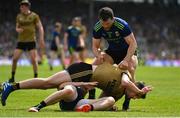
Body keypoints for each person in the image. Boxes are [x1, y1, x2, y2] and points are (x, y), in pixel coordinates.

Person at [0, 62, 151, 107]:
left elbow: (103, 98)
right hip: (84, 71)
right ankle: (12, 86)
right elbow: (126, 82)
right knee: (48, 83)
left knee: (48, 84)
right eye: (136, 96)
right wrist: (140, 91)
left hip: (86, 79)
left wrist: (112, 106)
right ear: (135, 86)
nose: (134, 97)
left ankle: (12, 86)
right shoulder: (127, 78)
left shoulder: (119, 94)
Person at [92, 7, 138, 110]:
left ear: (112, 19)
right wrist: (98, 55)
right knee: (94, 65)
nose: (106, 27)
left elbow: (133, 44)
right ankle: (91, 94)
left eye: (107, 24)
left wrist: (126, 60)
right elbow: (95, 46)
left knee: (130, 69)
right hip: (113, 52)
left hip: (128, 52)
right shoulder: (98, 27)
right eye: (103, 24)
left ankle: (127, 102)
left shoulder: (121, 25)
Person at [9, 0, 45, 83]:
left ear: (27, 7)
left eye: (23, 6)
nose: (21, 8)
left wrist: (41, 38)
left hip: (31, 40)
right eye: (21, 6)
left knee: (33, 60)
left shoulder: (34, 16)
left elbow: (40, 27)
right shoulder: (19, 16)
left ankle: (36, 77)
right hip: (21, 41)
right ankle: (12, 77)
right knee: (14, 59)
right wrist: (18, 30)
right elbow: (17, 27)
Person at [28, 82, 115, 112]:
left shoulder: (93, 78)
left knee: (111, 100)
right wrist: (83, 84)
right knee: (69, 90)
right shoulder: (75, 74)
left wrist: (104, 105)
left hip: (78, 103)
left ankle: (88, 108)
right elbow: (61, 85)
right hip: (70, 96)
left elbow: (91, 99)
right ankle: (38, 106)